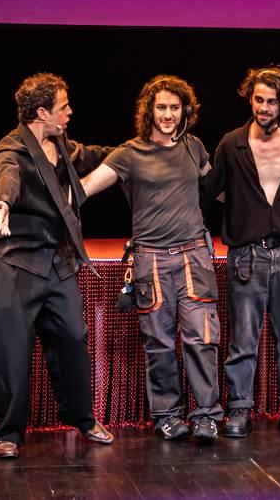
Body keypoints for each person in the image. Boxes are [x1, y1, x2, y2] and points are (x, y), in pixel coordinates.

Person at [81, 75, 222, 441]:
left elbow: (218, 190)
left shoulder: (193, 147)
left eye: (175, 107)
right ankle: (167, 415)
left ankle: (206, 415)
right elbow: (87, 186)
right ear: (149, 110)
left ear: (185, 110)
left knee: (202, 338)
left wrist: (265, 190)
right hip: (151, 260)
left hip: (194, 256)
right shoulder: (130, 153)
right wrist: (43, 201)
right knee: (159, 343)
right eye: (161, 107)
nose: (168, 114)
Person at [0, 73, 114, 458]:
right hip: (18, 262)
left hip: (58, 261)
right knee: (13, 348)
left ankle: (81, 417)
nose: (70, 111)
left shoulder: (63, 145)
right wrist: (3, 200)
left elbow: (95, 154)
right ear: (42, 112)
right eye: (64, 106)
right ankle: (9, 432)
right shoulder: (11, 149)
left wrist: (138, 150)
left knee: (73, 336)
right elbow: (7, 174)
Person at [202, 66, 280, 437]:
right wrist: (244, 207)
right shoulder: (232, 143)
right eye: (258, 100)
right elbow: (210, 191)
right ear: (249, 99)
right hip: (247, 254)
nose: (264, 108)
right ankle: (239, 407)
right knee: (243, 336)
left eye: (271, 101)